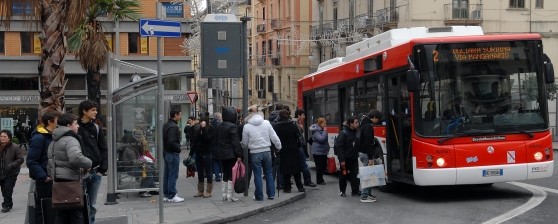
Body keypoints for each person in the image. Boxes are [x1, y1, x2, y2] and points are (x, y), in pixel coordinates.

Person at [47, 113, 92, 224]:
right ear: (68, 125)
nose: (78, 126)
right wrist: (89, 163)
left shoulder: (54, 141)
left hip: (58, 182)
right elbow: (76, 158)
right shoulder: (70, 140)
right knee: (76, 214)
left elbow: (50, 162)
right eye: (75, 124)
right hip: (71, 182)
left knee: (61, 214)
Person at [77, 100, 108, 223]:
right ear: (84, 111)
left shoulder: (96, 128)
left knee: (92, 204)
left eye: (96, 110)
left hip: (95, 172)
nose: (96, 112)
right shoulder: (75, 127)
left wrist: (103, 168)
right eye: (93, 110)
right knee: (78, 203)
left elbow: (103, 148)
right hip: (79, 173)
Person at [242, 105, 282, 201]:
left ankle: (259, 196)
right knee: (268, 172)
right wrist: (278, 147)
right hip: (267, 151)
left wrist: (243, 145)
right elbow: (274, 137)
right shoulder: (267, 123)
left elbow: (245, 143)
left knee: (257, 174)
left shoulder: (246, 126)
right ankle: (271, 194)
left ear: (250, 114)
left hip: (255, 152)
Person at [27, 109, 60, 223]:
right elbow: (31, 161)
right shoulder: (39, 138)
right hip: (45, 181)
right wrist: (44, 177)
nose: (59, 123)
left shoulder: (54, 136)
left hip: (55, 179)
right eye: (57, 120)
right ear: (50, 121)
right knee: (44, 210)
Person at [272, 110, 305, 193]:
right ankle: (300, 187)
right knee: (296, 169)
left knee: (285, 169)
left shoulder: (276, 126)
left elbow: (275, 139)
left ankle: (287, 188)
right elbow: (298, 135)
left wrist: (276, 149)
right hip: (293, 148)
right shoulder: (293, 124)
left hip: (282, 149)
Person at [215, 106, 243, 202]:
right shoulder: (233, 127)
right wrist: (239, 155)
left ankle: (223, 194)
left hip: (221, 153)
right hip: (231, 154)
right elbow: (236, 142)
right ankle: (230, 194)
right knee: (231, 173)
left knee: (225, 173)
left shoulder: (219, 126)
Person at [358, 110, 382, 203]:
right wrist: (371, 157)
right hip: (366, 153)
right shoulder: (368, 126)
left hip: (362, 152)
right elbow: (369, 143)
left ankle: (368, 194)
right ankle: (364, 196)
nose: (378, 121)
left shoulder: (363, 123)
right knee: (367, 175)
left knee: (369, 173)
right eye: (378, 119)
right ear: (374, 117)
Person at [333, 116, 361, 197]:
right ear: (350, 124)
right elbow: (339, 147)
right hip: (345, 160)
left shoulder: (356, 132)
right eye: (356, 122)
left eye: (357, 122)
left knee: (355, 175)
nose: (357, 124)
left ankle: (355, 191)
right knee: (343, 175)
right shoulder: (343, 133)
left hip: (354, 159)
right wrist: (342, 160)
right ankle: (342, 191)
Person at [162, 109, 184, 203]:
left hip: (167, 152)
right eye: (180, 115)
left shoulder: (166, 125)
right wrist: (178, 149)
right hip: (172, 153)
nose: (181, 117)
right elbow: (171, 141)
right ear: (175, 115)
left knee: (167, 174)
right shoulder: (173, 126)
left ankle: (167, 194)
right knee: (173, 175)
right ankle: (172, 194)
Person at [290, 108, 316, 187]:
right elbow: (299, 137)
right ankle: (307, 181)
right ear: (298, 115)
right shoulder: (296, 124)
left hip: (296, 146)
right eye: (303, 115)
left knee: (299, 165)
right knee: (304, 165)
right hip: (298, 146)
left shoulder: (295, 123)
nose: (304, 117)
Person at [190, 116, 214, 198]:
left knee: (208, 171)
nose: (201, 123)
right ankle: (200, 190)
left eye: (203, 122)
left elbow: (208, 139)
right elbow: (195, 142)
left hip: (207, 153)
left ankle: (208, 190)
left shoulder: (211, 129)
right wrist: (191, 154)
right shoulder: (198, 129)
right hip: (199, 153)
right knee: (200, 172)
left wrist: (204, 129)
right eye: (201, 122)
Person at [0, 130, 24, 213]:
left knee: (7, 188)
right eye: (1, 136)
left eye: (4, 136)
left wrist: (11, 165)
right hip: (1, 172)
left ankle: (6, 205)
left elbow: (20, 159)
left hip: (11, 172)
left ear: (9, 138)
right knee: (3, 189)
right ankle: (9, 202)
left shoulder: (15, 147)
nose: (2, 138)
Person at [309, 118, 329, 185]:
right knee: (320, 167)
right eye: (324, 123)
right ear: (320, 124)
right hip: (318, 151)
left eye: (325, 123)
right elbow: (321, 139)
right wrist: (325, 131)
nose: (325, 125)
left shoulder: (322, 129)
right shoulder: (316, 131)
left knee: (324, 165)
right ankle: (319, 180)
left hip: (323, 151)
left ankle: (320, 179)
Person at [210, 112, 223, 182]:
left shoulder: (211, 125)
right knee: (220, 161)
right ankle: (219, 175)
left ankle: (217, 175)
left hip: (213, 146)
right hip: (220, 146)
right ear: (218, 118)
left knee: (215, 161)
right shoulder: (221, 125)